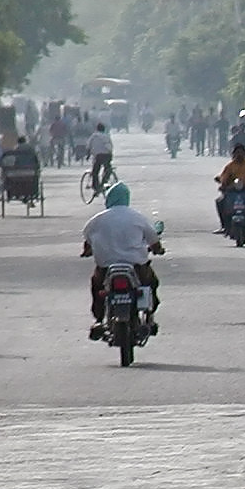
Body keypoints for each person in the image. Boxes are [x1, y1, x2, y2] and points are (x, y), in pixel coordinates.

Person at [81, 181, 163, 341]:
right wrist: (158, 249)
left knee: (97, 288)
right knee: (151, 283)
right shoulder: (137, 217)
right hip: (137, 268)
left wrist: (88, 251)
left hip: (105, 269)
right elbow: (154, 241)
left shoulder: (96, 220)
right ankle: (149, 316)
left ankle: (98, 320)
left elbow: (87, 242)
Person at [86, 122, 114, 197]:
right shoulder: (106, 136)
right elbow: (110, 146)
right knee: (107, 169)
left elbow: (88, 146)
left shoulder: (93, 136)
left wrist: (88, 155)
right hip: (107, 155)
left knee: (95, 172)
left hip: (98, 156)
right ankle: (104, 182)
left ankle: (97, 188)